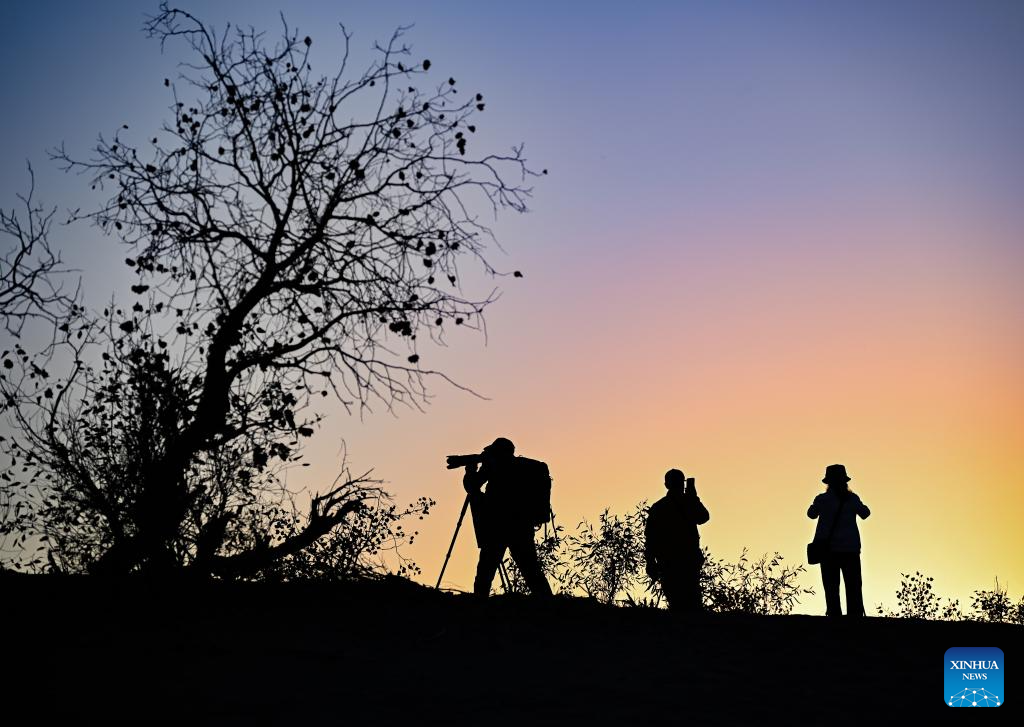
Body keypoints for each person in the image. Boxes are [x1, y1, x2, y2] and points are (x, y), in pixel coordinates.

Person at [462, 437, 552, 598]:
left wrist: (470, 471)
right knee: (531, 570)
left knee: (485, 571)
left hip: (497, 527)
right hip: (522, 526)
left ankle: (478, 606)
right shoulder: (524, 468)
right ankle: (548, 604)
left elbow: (472, 486)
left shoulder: (493, 466)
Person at [807, 464, 871, 617]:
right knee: (853, 586)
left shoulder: (822, 499)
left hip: (828, 550)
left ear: (828, 482)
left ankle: (834, 618)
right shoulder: (853, 499)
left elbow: (811, 514)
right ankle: (854, 619)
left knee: (831, 587)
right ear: (845, 481)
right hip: (850, 550)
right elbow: (865, 513)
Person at [644, 469, 710, 612]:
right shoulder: (687, 502)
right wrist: (693, 497)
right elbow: (703, 517)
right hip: (683, 561)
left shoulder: (659, 507)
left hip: (671, 562)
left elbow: (650, 539)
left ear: (666, 484)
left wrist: (650, 562)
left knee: (678, 604)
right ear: (682, 483)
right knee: (692, 604)